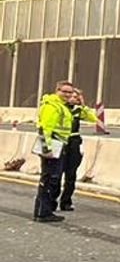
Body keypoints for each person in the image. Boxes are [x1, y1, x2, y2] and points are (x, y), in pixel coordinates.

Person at [31, 81, 79, 225]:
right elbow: (44, 128)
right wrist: (46, 149)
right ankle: (42, 213)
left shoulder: (62, 106)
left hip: (58, 145)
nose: (67, 95)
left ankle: (44, 211)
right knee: (48, 180)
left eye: (70, 92)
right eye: (64, 92)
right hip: (52, 146)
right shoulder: (52, 106)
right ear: (57, 90)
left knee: (51, 179)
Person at [55, 82, 106, 214]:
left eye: (76, 97)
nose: (74, 98)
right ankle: (51, 202)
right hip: (60, 142)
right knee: (56, 174)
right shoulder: (58, 107)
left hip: (74, 143)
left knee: (71, 175)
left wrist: (83, 105)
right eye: (72, 96)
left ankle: (66, 202)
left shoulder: (78, 110)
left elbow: (92, 118)